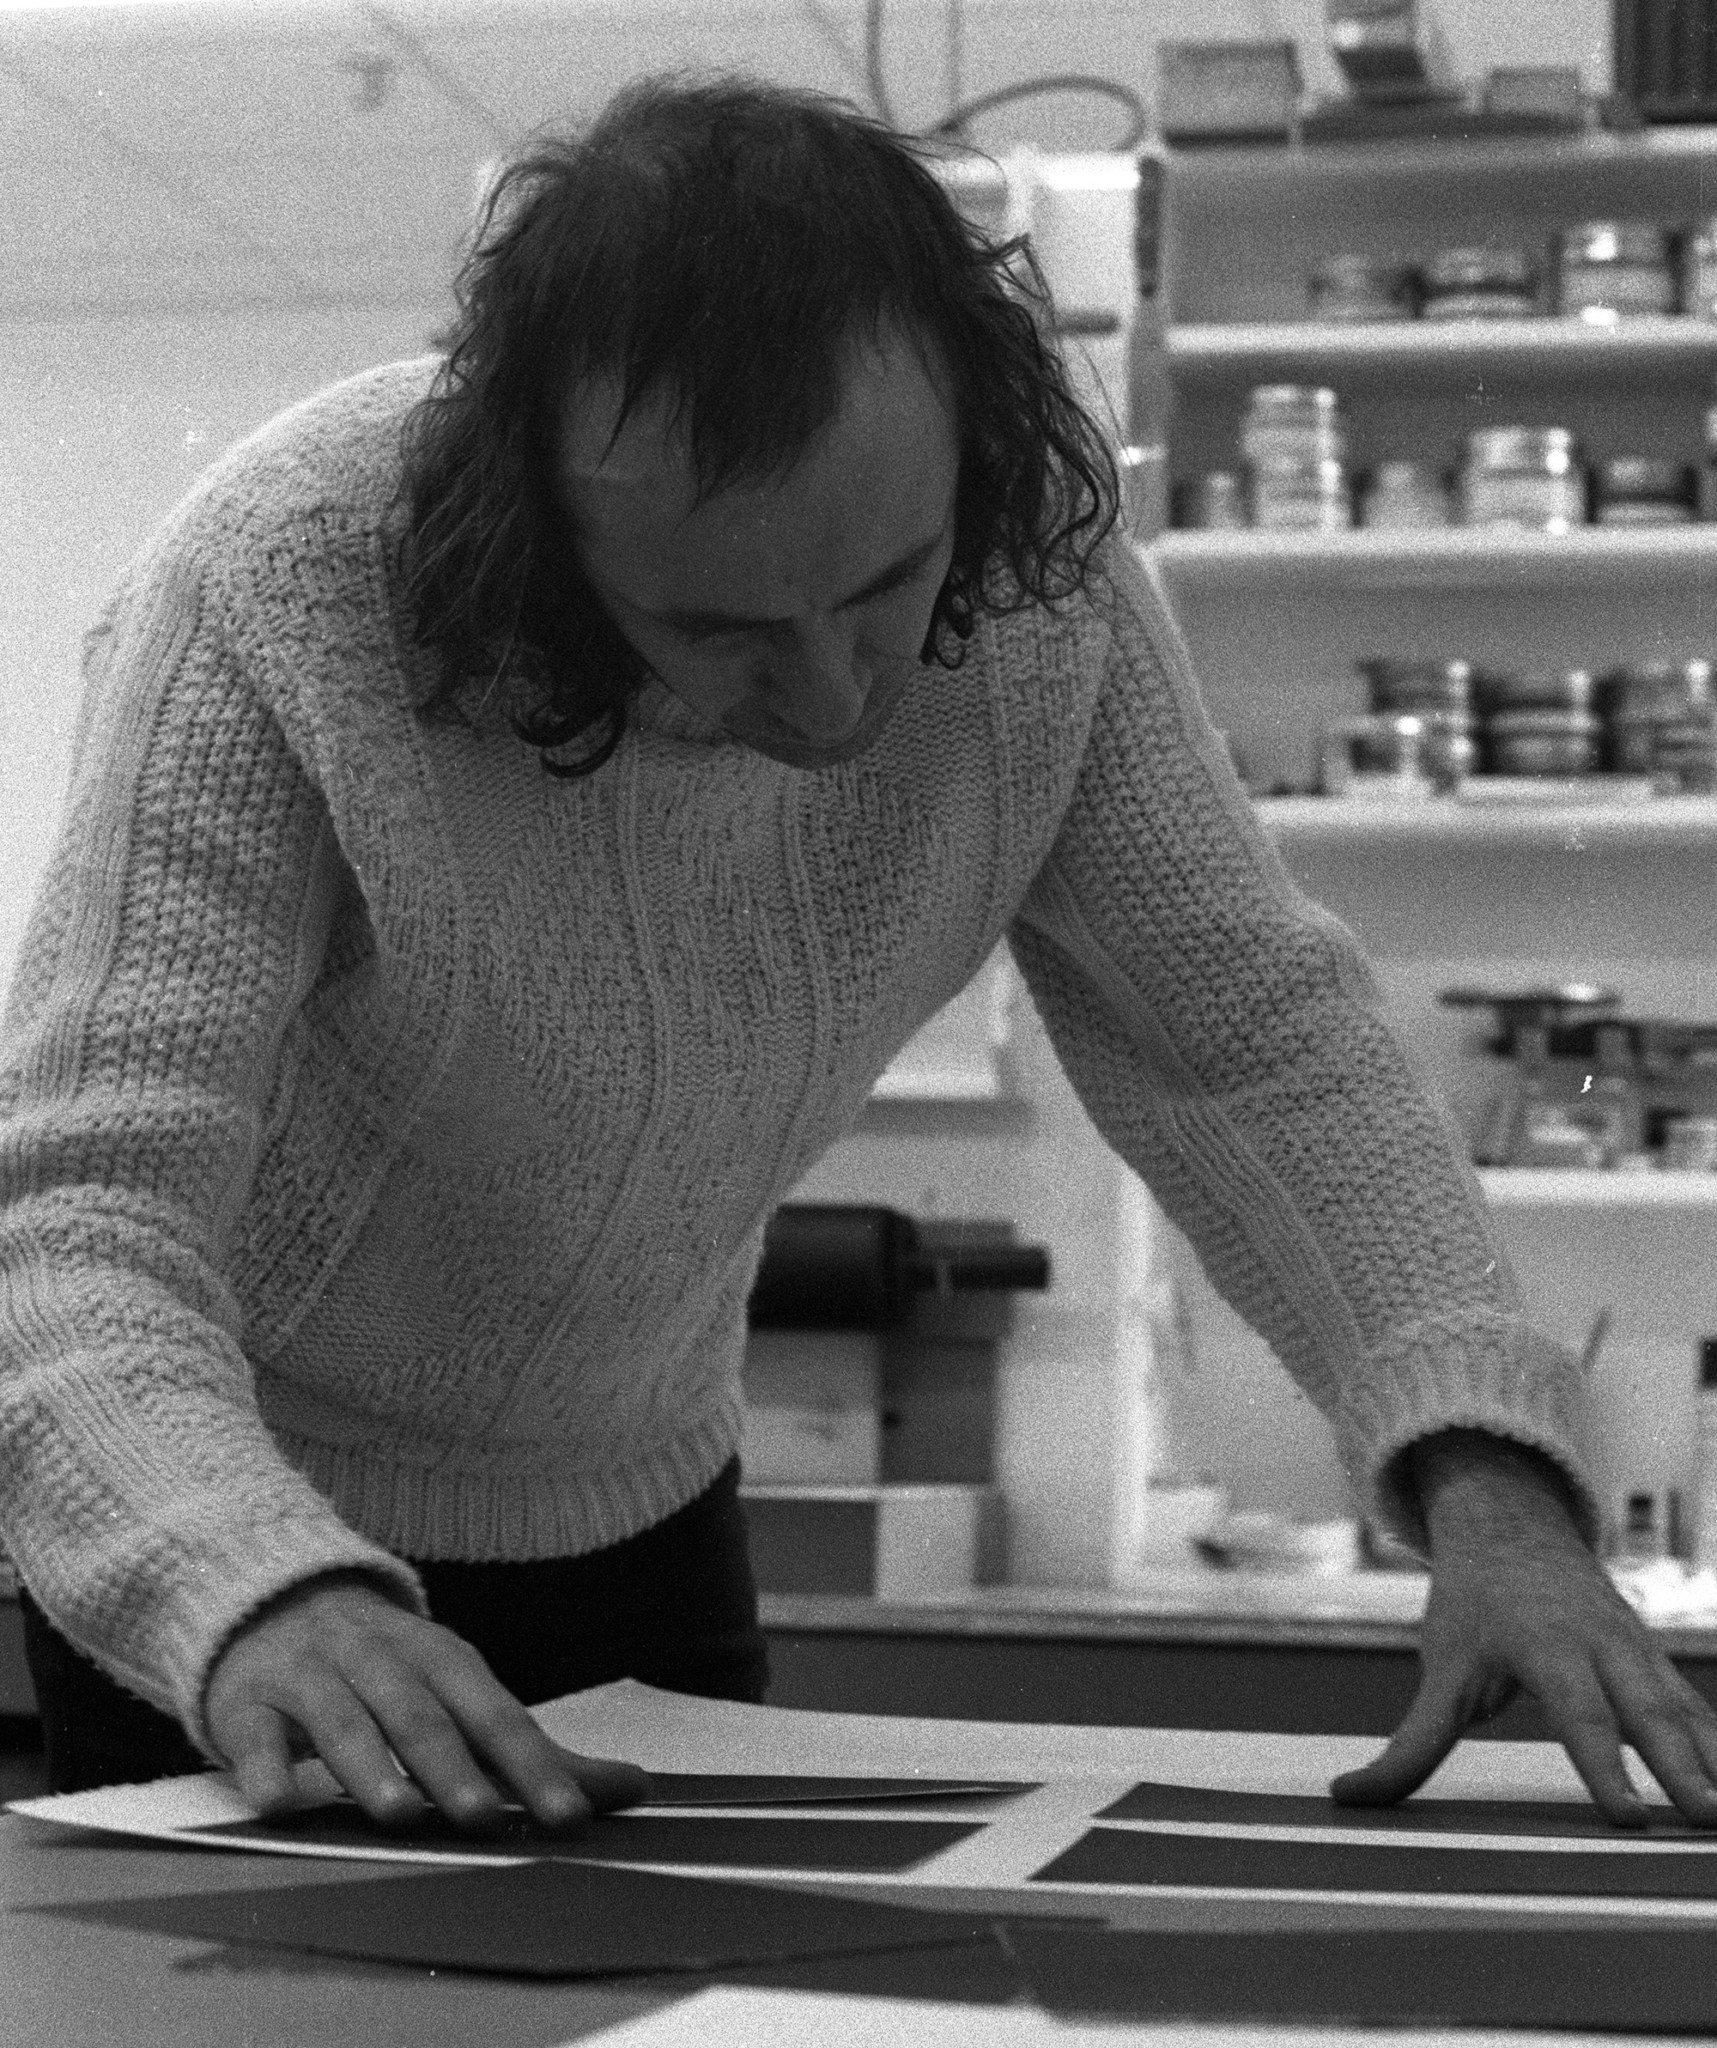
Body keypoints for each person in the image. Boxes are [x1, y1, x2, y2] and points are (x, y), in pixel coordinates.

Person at [2, 73, 1714, 1836]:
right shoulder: (283, 587)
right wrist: (249, 1580)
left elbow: (1253, 1048)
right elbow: (72, 1220)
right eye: (713, 627)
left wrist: (1490, 1476)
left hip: (638, 1507)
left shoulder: (1049, 595)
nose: (828, 699)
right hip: (237, 1521)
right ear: (530, 528)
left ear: (975, 439)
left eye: (883, 584)